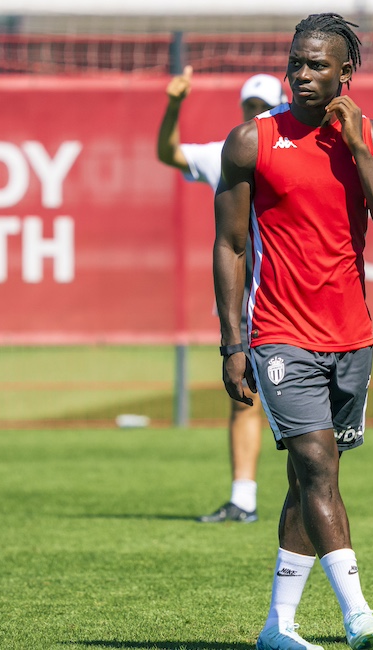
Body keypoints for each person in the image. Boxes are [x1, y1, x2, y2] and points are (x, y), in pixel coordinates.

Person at [213, 13, 373, 650]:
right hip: (278, 335)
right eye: (295, 62)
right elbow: (229, 244)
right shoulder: (251, 140)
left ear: (345, 74)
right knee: (317, 465)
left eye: (317, 65)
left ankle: (279, 626)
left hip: (352, 337)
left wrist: (356, 148)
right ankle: (359, 614)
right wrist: (233, 343)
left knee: (310, 482)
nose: (301, 74)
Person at [157, 66, 286, 524]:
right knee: (244, 393)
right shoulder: (230, 152)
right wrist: (174, 103)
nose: (257, 115)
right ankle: (244, 498)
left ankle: (313, 491)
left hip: (292, 291)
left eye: (265, 107)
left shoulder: (296, 147)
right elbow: (168, 152)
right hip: (251, 293)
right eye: (250, 108)